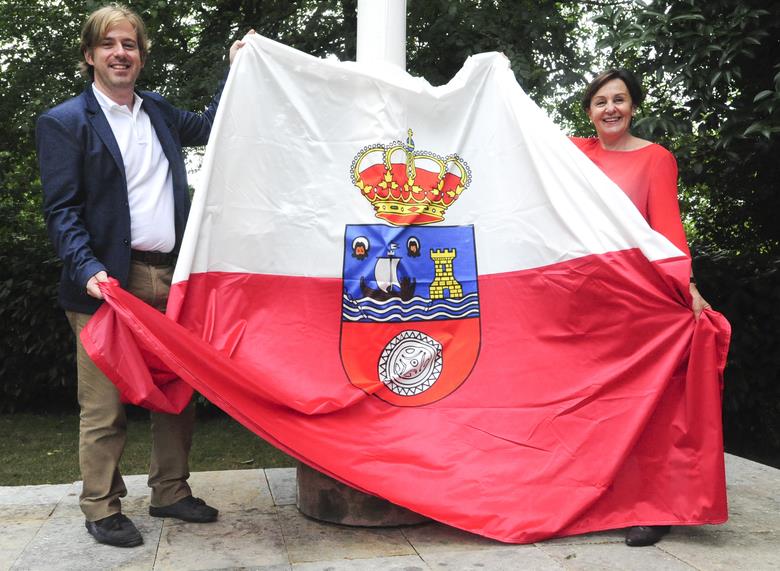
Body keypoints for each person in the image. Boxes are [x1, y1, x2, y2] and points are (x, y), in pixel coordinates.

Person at [36, 4, 251, 548]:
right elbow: (63, 211)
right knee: (105, 406)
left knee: (176, 393)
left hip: (171, 278)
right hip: (107, 283)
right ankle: (101, 507)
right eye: (109, 44)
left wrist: (236, 68)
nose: (120, 53)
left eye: (129, 44)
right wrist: (89, 271)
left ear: (140, 54)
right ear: (90, 56)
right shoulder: (63, 123)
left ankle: (170, 492)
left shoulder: (156, 112)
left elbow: (210, 128)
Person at [571, 69, 712, 547]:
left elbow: (667, 227)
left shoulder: (656, 158)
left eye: (620, 99)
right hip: (586, 300)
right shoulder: (573, 155)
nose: (610, 108)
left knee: (649, 403)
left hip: (639, 298)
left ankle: (655, 505)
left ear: (633, 107)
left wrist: (685, 286)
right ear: (588, 111)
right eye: (600, 101)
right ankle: (597, 498)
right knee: (596, 405)